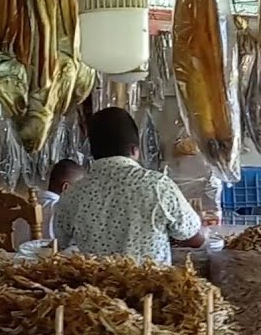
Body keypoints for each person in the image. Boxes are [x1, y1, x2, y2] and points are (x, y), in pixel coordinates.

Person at [53, 107, 204, 265]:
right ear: (134, 149)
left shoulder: (72, 194)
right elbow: (194, 237)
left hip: (97, 286)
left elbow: (61, 242)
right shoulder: (158, 186)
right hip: (151, 287)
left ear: (93, 151)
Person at [11, 159, 85, 247]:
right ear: (66, 188)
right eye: (80, 189)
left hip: (17, 257)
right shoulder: (61, 210)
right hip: (45, 259)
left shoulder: (26, 206)